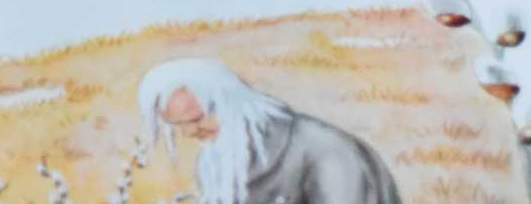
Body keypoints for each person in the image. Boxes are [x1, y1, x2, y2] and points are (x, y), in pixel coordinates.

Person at [138, 59, 401, 204]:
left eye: (195, 119)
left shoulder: (326, 150)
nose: (188, 133)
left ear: (229, 104)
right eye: (178, 125)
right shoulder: (214, 161)